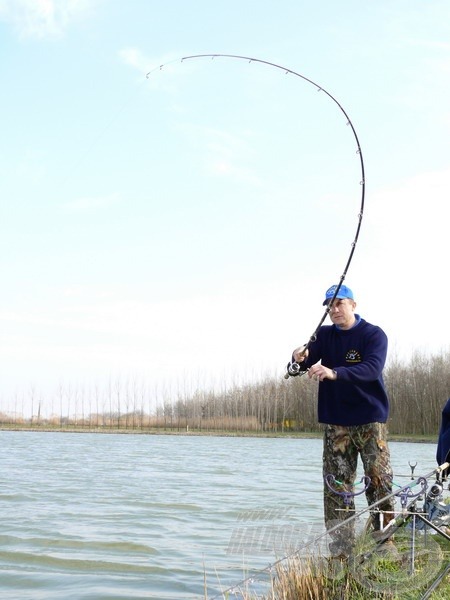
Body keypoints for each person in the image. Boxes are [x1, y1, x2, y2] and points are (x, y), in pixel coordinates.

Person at [290, 284, 395, 558]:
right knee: (337, 486)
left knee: (379, 481)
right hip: (336, 423)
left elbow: (372, 369)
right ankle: (341, 551)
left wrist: (335, 372)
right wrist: (297, 358)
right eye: (329, 305)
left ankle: (385, 544)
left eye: (340, 303)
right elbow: (300, 366)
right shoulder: (323, 335)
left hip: (369, 420)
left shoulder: (373, 334)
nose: (334, 310)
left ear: (353, 305)